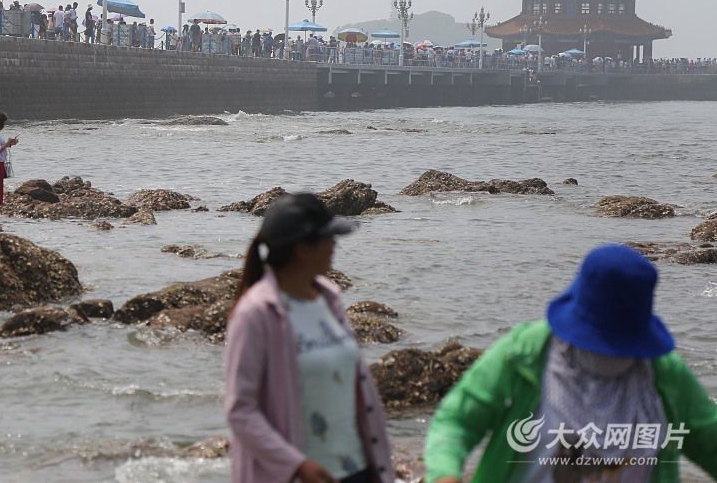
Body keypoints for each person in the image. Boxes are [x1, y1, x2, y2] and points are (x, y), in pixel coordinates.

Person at [424, 244, 717, 483]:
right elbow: (456, 422)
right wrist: (445, 473)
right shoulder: (526, 354)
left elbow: (708, 440)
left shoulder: (662, 374)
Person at [225, 193, 394, 483]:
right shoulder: (256, 313)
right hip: (299, 475)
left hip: (359, 469)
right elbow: (241, 410)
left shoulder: (330, 300)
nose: (334, 245)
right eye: (327, 238)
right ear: (302, 248)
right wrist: (297, 465)